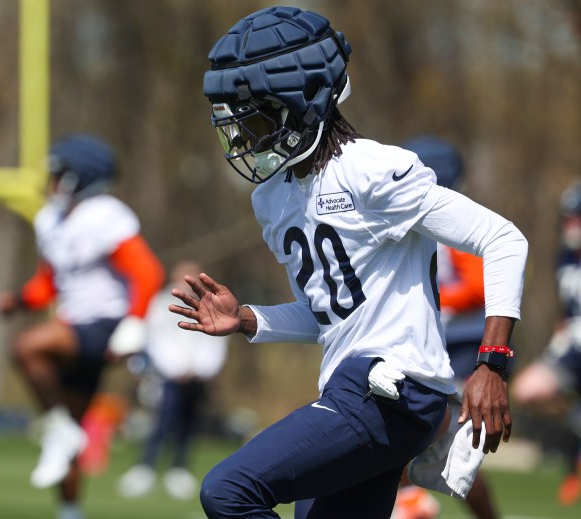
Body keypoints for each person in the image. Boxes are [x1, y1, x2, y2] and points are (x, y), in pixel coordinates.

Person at [170, 6, 528, 519]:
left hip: (390, 390)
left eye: (256, 114)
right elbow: (329, 315)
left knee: (229, 490)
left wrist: (492, 363)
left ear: (298, 102)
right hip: (354, 389)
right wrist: (249, 319)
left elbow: (503, 239)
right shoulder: (273, 198)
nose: (244, 136)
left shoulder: (371, 169)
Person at [0, 133, 165, 519]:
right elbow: (49, 283)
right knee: (66, 438)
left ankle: (57, 428)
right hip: (75, 329)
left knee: (27, 347)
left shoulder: (104, 214)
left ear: (80, 177)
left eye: (59, 174)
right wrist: (18, 301)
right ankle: (70, 511)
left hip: (105, 327)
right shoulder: (50, 219)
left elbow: (148, 272)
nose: (51, 182)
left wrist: (134, 325)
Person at [390, 136, 500, 519]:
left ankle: (412, 503)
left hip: (462, 346)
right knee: (420, 435)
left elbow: (478, 284)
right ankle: (408, 501)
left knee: (448, 444)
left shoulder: (452, 219)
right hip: (433, 343)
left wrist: (429, 299)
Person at [116, 260, 228, 500]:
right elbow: (155, 339)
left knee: (189, 424)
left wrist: (201, 368)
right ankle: (145, 468)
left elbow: (216, 341)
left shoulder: (211, 303)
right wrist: (174, 367)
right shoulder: (160, 303)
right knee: (162, 421)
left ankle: (179, 470)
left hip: (196, 377)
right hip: (167, 375)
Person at [511, 180, 581, 505]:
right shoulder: (566, 258)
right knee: (526, 389)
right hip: (573, 348)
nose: (572, 224)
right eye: (568, 217)